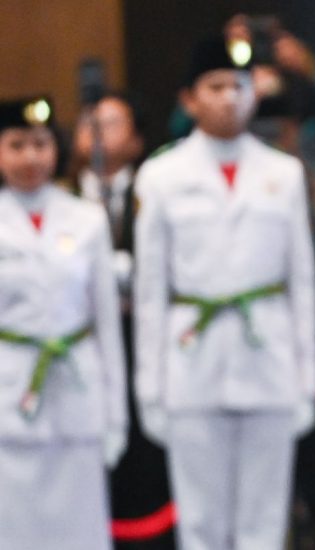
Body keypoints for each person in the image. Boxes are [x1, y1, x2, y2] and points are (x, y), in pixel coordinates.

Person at [134, 35, 315, 550]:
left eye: (238, 85)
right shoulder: (161, 176)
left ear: (254, 94)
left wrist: (306, 378)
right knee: (200, 522)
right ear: (189, 99)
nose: (228, 97)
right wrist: (150, 388)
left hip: (269, 358)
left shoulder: (282, 174)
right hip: (192, 361)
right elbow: (150, 293)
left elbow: (301, 282)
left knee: (264, 520)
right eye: (214, 86)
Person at [0, 96, 127, 549]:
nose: (31, 157)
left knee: (80, 529)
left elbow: (107, 326)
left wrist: (117, 418)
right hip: (10, 396)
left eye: (41, 143)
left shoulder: (86, 218)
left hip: (78, 394)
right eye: (16, 144)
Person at [72, 92, 177, 549]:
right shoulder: (60, 201)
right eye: (89, 123)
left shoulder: (157, 194)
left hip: (145, 344)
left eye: (112, 122)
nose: (98, 133)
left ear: (136, 140)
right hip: (83, 351)